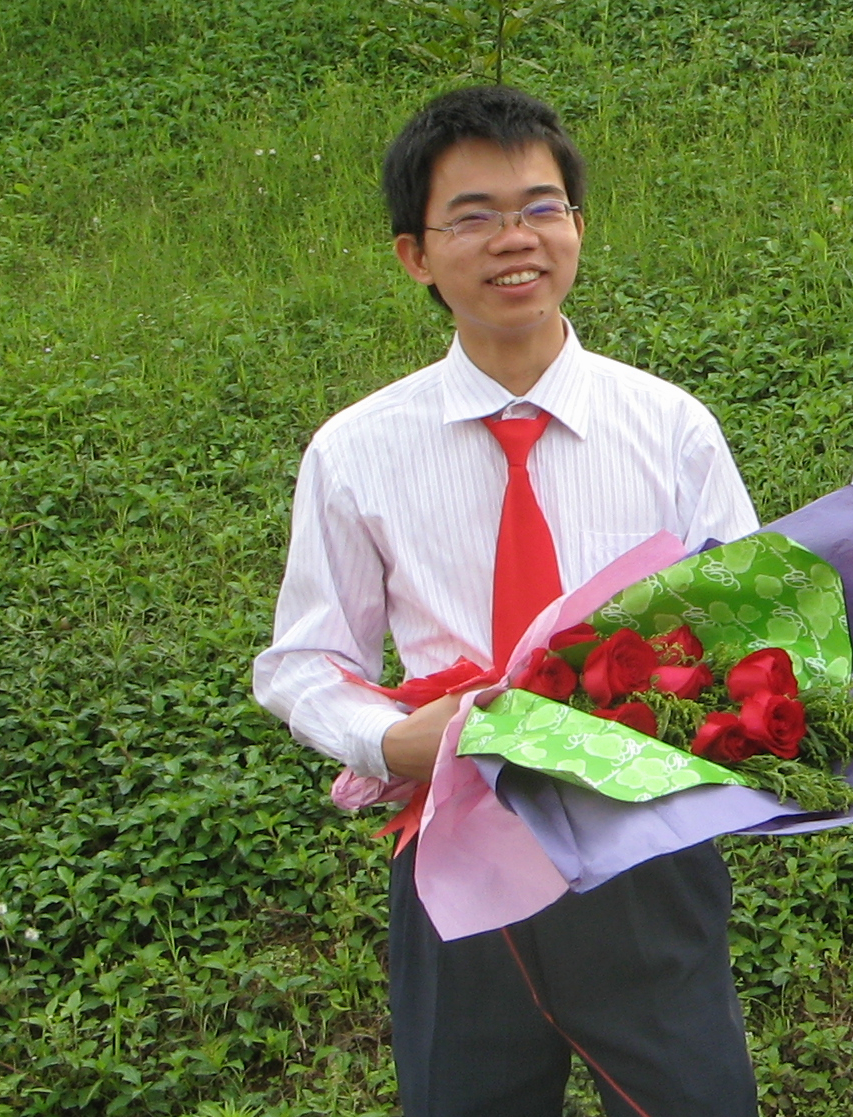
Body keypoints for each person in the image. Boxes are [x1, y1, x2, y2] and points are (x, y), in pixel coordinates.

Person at [254, 85, 761, 1117]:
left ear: (577, 224)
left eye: (539, 207)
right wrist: (390, 741)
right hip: (457, 854)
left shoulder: (669, 427)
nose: (514, 238)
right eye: (473, 216)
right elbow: (304, 660)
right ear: (415, 254)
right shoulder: (355, 451)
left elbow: (748, 637)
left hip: (643, 846)